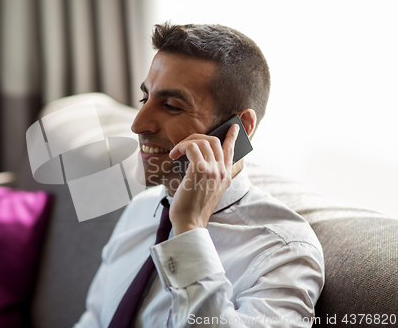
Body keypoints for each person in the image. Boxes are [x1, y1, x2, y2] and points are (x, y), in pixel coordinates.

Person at [74, 22, 324, 328]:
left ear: (240, 128)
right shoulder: (141, 208)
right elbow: (93, 320)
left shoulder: (282, 252)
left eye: (170, 106)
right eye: (144, 99)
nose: (138, 124)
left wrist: (189, 229)